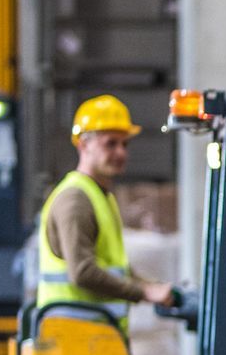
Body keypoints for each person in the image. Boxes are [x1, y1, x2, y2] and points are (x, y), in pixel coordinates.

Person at [35, 95, 179, 325]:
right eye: (110, 143)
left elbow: (115, 268)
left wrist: (150, 286)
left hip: (95, 342)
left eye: (124, 144)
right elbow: (82, 272)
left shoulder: (101, 197)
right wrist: (143, 293)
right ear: (84, 145)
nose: (121, 153)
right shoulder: (75, 200)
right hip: (73, 343)